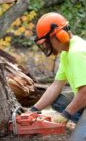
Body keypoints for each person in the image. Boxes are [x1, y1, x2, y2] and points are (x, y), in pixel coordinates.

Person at [31, 12, 86, 141]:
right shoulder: (67, 53)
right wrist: (33, 110)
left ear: (59, 36)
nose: (46, 46)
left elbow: (84, 92)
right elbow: (56, 85)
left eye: (47, 41)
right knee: (60, 101)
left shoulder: (76, 53)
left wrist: (66, 114)